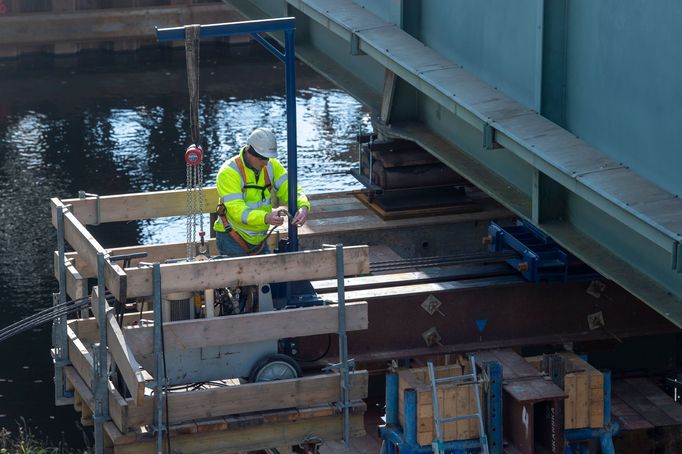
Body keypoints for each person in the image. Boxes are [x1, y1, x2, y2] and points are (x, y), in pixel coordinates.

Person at [214, 127, 310, 256]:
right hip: (232, 238)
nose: (265, 162)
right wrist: (265, 217)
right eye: (261, 158)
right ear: (249, 152)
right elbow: (237, 211)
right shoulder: (229, 172)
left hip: (259, 239)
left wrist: (303, 206)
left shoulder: (272, 165)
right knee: (240, 276)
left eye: (268, 158)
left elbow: (290, 188)